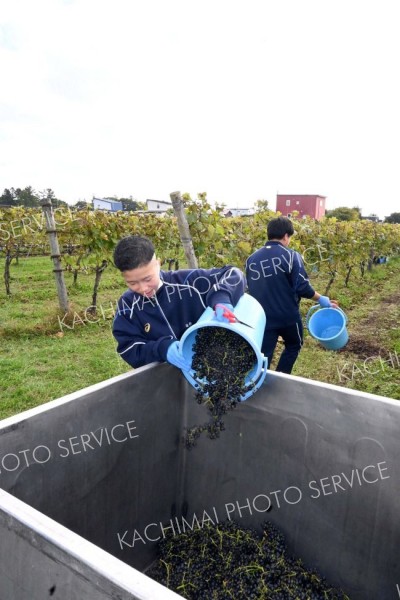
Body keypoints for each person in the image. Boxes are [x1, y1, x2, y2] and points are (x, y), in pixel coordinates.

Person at [112, 235, 246, 370]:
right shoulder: (127, 307)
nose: (143, 288)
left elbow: (233, 273)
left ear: (158, 264)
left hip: (213, 367)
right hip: (165, 377)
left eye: (148, 279)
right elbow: (129, 348)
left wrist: (221, 297)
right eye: (132, 283)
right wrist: (162, 349)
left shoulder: (190, 282)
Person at [245, 216, 338, 374]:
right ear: (286, 236)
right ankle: (282, 376)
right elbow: (302, 287)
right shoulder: (291, 256)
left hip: (262, 317)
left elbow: (249, 288)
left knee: (263, 354)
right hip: (287, 315)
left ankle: (259, 385)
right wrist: (322, 299)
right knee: (294, 344)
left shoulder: (251, 260)